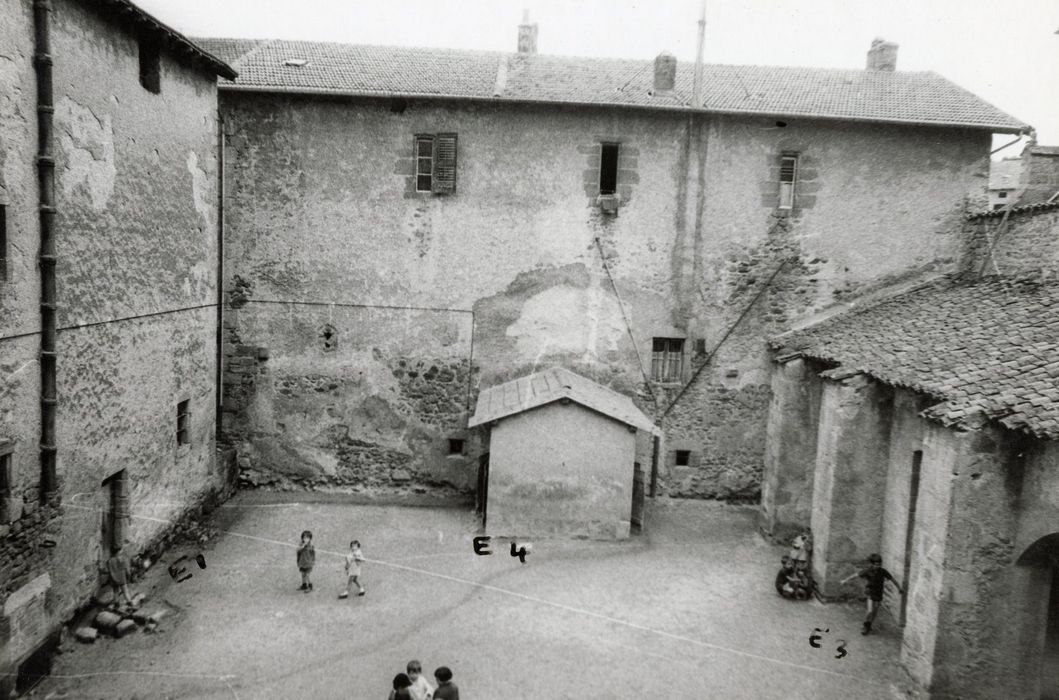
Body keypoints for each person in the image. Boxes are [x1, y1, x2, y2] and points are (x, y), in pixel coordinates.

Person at [841, 553, 903, 635]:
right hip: (870, 592)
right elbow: (855, 575)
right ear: (872, 564)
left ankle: (869, 625)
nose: (878, 566)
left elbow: (892, 579)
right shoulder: (867, 571)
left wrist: (899, 588)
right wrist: (845, 580)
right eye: (876, 564)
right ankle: (865, 625)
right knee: (870, 611)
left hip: (879, 593)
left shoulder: (883, 571)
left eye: (880, 564)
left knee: (875, 611)